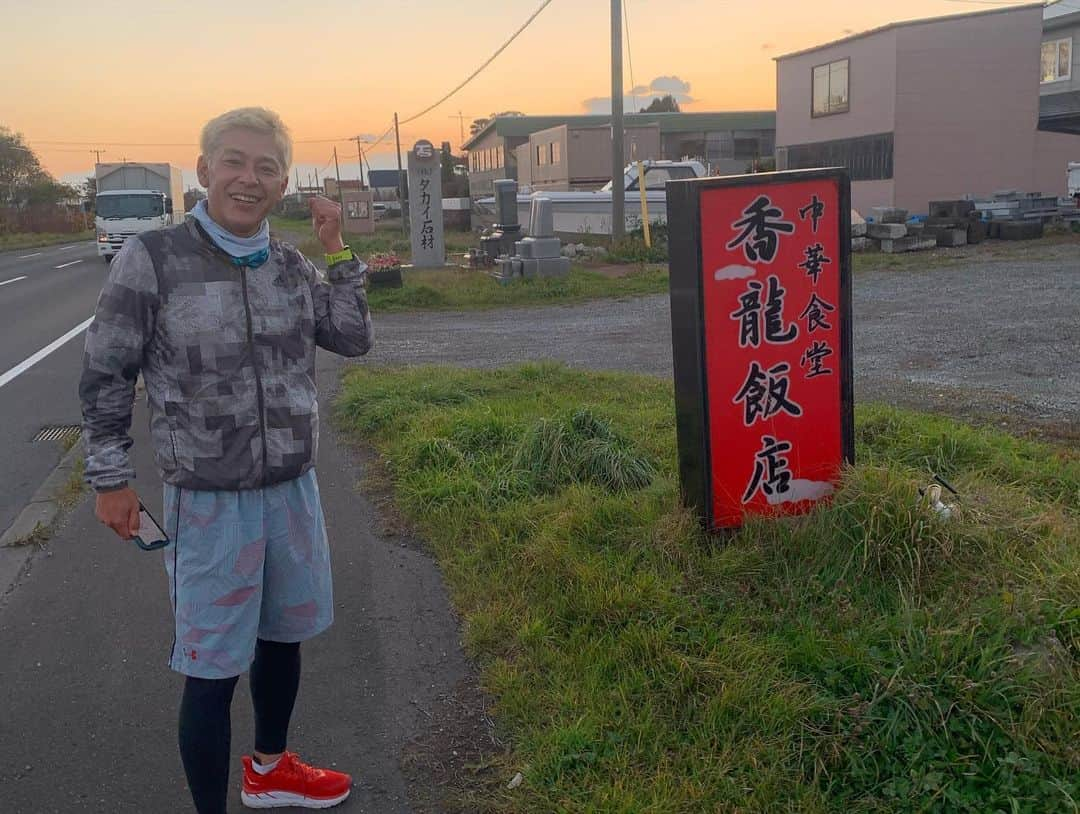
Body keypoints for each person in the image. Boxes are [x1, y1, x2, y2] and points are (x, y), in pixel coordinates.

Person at [80, 107, 373, 812]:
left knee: (283, 638)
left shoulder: (293, 265)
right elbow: (106, 373)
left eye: (266, 166)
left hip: (293, 490)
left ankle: (270, 770)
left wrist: (337, 249)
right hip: (208, 502)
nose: (249, 178)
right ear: (206, 169)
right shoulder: (153, 258)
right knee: (211, 668)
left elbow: (353, 337)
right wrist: (111, 478)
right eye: (234, 162)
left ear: (282, 183)